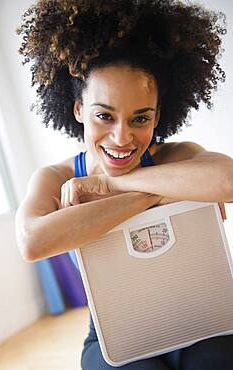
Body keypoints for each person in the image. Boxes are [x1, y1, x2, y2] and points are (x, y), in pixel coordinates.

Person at [15, 0, 233, 369]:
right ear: (79, 110)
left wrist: (108, 188)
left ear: (157, 115)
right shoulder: (56, 178)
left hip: (200, 316)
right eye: (104, 115)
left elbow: (227, 180)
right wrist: (155, 195)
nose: (122, 138)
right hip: (112, 332)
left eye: (140, 118)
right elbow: (34, 241)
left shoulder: (176, 155)